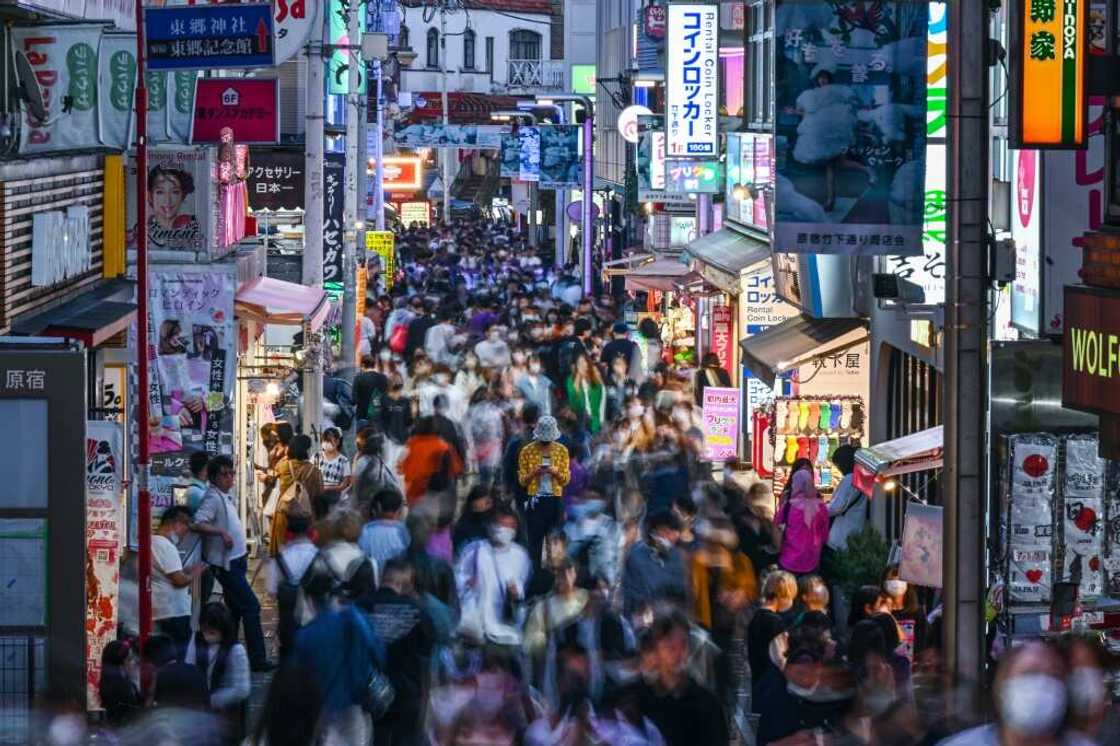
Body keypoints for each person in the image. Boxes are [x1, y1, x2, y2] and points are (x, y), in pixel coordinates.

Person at [292, 553, 385, 746]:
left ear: (309, 598)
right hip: (355, 700)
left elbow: (300, 675)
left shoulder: (306, 635)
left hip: (321, 706)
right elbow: (378, 652)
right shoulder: (355, 618)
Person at [191, 455, 273, 671]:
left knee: (235, 610)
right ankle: (257, 659)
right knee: (251, 606)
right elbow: (198, 522)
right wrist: (221, 532)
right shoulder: (212, 497)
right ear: (214, 477)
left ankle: (228, 654)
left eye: (231, 473)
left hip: (235, 562)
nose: (229, 478)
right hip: (226, 566)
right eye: (224, 474)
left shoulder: (223, 496)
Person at [358, 558, 436, 746]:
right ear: (406, 582)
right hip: (408, 691)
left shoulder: (360, 607)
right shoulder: (418, 611)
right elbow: (428, 653)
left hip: (370, 690)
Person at [632, 610, 728, 746]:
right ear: (656, 650)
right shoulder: (640, 698)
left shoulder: (706, 703)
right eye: (670, 647)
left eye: (684, 644)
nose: (679, 654)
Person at [455, 507, 531, 647]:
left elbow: (523, 586)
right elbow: (458, 577)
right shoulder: (474, 549)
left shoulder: (520, 556)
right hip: (475, 625)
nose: (504, 530)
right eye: (501, 525)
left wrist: (516, 592)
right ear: (491, 525)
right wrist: (467, 582)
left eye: (509, 527)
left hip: (503, 625)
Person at [183, 602, 251, 741]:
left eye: (212, 632)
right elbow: (189, 667)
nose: (207, 636)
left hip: (227, 713)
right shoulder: (196, 640)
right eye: (204, 630)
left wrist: (213, 701)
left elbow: (241, 688)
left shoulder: (235, 650)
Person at [517, 415, 571, 568]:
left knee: (555, 538)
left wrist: (555, 472)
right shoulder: (527, 452)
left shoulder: (562, 452)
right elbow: (522, 481)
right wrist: (534, 473)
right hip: (535, 499)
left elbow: (565, 480)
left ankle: (556, 569)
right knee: (535, 539)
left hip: (555, 499)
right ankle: (535, 571)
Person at [152, 505, 206, 654]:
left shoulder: (152, 542)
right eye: (185, 524)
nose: (186, 530)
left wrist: (185, 571)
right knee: (180, 654)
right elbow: (179, 580)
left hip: (161, 609)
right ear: (173, 523)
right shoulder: (166, 546)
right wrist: (195, 573)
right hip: (174, 612)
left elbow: (166, 572)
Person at [267, 511, 317, 662]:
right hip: (314, 621)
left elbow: (272, 593)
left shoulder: (279, 559)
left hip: (288, 622)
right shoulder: (319, 555)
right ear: (310, 533)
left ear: (288, 533)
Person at [622, 511, 687, 617]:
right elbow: (634, 595)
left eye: (674, 533)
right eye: (666, 532)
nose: (670, 538)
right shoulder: (636, 556)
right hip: (642, 617)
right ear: (654, 532)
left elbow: (679, 589)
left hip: (671, 615)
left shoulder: (676, 556)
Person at [747, 569, 796, 709]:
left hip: (757, 686)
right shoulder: (774, 622)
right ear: (783, 593)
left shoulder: (756, 617)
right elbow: (781, 660)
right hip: (772, 691)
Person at [272, 434, 323, 556]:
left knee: (282, 557)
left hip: (284, 515)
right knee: (304, 556)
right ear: (307, 450)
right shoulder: (315, 472)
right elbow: (319, 496)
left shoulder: (283, 465)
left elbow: (272, 475)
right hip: (306, 518)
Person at [399, 416, 464, 506]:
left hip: (414, 494)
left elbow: (400, 468)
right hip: (435, 494)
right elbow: (456, 469)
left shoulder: (410, 445)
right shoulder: (444, 446)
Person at [776, 468, 829, 575]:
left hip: (788, 561)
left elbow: (777, 526)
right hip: (811, 561)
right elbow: (824, 536)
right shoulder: (821, 507)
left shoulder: (788, 506)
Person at [358, 487, 411, 571]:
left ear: (378, 508)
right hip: (396, 580)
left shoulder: (364, 531)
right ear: (399, 511)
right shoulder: (405, 532)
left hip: (369, 580)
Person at [98, 639, 142, 726]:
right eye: (129, 659)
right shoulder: (122, 687)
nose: (135, 663)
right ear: (120, 664)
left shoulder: (108, 681)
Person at [566, 352, 606, 434]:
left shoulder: (595, 381)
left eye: (584, 362)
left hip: (596, 422)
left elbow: (601, 403)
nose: (582, 365)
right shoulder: (570, 380)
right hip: (580, 422)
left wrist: (600, 422)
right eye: (579, 363)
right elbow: (574, 401)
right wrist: (578, 377)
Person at [452, 485, 495, 556]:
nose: (483, 509)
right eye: (477, 507)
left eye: (487, 503)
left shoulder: (499, 520)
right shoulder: (463, 527)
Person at [315, 426, 352, 498]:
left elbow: (344, 484)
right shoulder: (316, 457)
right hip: (317, 497)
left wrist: (327, 488)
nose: (326, 443)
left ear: (337, 441)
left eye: (329, 440)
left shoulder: (344, 461)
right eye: (324, 441)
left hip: (334, 499)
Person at [354, 355, 390, 430]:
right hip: (380, 417)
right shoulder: (383, 378)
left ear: (363, 365)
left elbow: (354, 399)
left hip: (363, 417)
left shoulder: (359, 378)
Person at [516, 352, 553, 416]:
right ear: (528, 365)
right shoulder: (521, 382)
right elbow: (519, 401)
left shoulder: (545, 381)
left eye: (537, 362)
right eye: (533, 362)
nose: (535, 365)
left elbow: (548, 401)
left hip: (544, 416)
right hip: (529, 418)